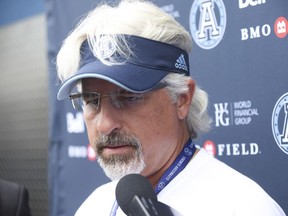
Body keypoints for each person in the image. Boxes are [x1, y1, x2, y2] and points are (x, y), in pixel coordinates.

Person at [56, 0, 286, 215]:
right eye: (92, 100)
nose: (105, 124)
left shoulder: (245, 207)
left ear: (182, 98)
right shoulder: (94, 206)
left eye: (128, 96)